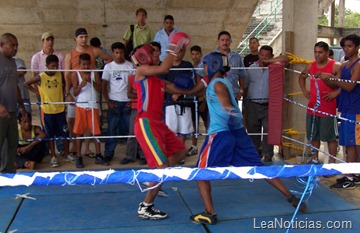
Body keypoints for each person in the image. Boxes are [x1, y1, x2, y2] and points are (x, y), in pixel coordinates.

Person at [189, 52, 306, 224]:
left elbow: (228, 107)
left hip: (221, 133)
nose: (204, 67)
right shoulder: (224, 82)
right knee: (259, 168)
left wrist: (228, 122)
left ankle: (209, 212)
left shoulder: (216, 84)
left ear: (213, 65)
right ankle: (290, 196)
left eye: (206, 64)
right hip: (237, 134)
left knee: (200, 173)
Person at [132, 32, 191, 220]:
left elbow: (175, 88)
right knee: (162, 167)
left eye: (158, 52)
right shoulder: (142, 71)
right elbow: (166, 67)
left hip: (159, 123)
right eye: (154, 52)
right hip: (146, 123)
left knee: (181, 151)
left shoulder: (158, 80)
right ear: (145, 56)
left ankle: (158, 178)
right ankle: (146, 206)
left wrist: (202, 85)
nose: (157, 55)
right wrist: (174, 45)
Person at [319, 34, 360, 189]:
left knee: (351, 144)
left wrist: (331, 77)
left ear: (356, 47)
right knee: (346, 144)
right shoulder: (344, 65)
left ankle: (350, 175)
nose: (346, 49)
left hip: (355, 108)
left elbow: (350, 85)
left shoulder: (358, 64)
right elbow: (336, 86)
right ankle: (351, 174)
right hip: (345, 107)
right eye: (344, 46)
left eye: (349, 46)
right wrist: (325, 78)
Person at [64, 28, 112, 158]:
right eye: (81, 37)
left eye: (85, 36)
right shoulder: (70, 54)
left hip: (91, 94)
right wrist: (68, 92)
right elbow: (67, 75)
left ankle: (88, 149)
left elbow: (109, 59)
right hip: (77, 90)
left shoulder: (94, 50)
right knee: (72, 121)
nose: (84, 39)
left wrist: (102, 73)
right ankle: (75, 148)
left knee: (93, 125)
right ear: (75, 38)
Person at [24, 54, 73, 168]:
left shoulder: (60, 75)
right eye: (52, 66)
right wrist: (37, 92)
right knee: (50, 135)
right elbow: (26, 84)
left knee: (65, 133)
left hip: (60, 109)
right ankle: (53, 156)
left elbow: (65, 85)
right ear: (46, 66)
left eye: (56, 66)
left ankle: (67, 154)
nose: (54, 68)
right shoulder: (41, 76)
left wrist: (65, 94)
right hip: (47, 111)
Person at [298, 42, 341, 165]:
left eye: (320, 52)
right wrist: (304, 90)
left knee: (330, 137)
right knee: (313, 135)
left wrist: (335, 94)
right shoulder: (310, 66)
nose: (317, 55)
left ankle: (332, 162)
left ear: (327, 53)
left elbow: (345, 83)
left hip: (328, 108)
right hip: (312, 107)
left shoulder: (336, 66)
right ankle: (315, 158)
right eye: (315, 52)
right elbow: (301, 77)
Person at [31, 32, 65, 155]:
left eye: (51, 39)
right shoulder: (36, 57)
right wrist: (38, 93)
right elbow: (35, 77)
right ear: (42, 41)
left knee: (60, 125)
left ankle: (61, 149)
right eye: (47, 39)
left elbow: (62, 76)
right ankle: (49, 151)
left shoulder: (60, 56)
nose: (49, 42)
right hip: (44, 94)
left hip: (57, 94)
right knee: (47, 124)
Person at [162, 45, 195, 164]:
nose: (177, 53)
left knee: (184, 129)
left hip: (184, 101)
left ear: (182, 51)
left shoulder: (187, 65)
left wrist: (179, 93)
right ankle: (172, 153)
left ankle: (180, 153)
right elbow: (163, 84)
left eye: (179, 51)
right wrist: (174, 93)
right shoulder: (166, 66)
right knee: (171, 130)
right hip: (170, 102)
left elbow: (190, 82)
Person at [72, 53, 105, 168]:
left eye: (88, 64)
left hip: (93, 105)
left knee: (96, 131)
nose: (86, 67)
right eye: (83, 64)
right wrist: (82, 85)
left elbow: (100, 89)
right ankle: (79, 156)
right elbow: (75, 92)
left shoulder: (94, 73)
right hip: (81, 105)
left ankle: (98, 155)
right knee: (79, 132)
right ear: (79, 64)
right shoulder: (76, 74)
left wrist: (91, 82)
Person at [102, 42, 134, 164]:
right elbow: (104, 85)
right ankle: (108, 154)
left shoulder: (130, 66)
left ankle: (132, 154)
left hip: (127, 103)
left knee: (131, 131)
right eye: (116, 52)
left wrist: (132, 101)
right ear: (113, 53)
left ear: (124, 52)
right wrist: (108, 102)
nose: (119, 55)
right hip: (114, 102)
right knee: (112, 130)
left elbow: (135, 85)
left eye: (121, 52)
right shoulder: (108, 67)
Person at [0, 33, 27, 173]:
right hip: (1, 111)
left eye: (17, 46)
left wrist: (22, 106)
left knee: (11, 143)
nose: (15, 48)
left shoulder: (12, 62)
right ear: (2, 45)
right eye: (12, 45)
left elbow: (15, 86)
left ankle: (7, 172)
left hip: (12, 110)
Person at [244, 45, 275, 162]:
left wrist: (270, 62)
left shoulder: (274, 68)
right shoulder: (251, 68)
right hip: (253, 104)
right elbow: (246, 86)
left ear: (272, 57)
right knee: (252, 130)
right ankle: (255, 154)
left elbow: (285, 59)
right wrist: (245, 103)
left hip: (268, 105)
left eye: (267, 56)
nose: (264, 58)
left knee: (268, 130)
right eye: (262, 55)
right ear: (258, 55)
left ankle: (268, 154)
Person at [187, 45, 208, 157]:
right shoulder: (189, 67)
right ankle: (194, 146)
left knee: (206, 122)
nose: (195, 56)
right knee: (194, 124)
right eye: (193, 54)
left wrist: (203, 99)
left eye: (197, 54)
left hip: (202, 98)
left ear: (201, 55)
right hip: (192, 99)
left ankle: (210, 144)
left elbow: (204, 85)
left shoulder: (203, 67)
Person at [215, 31, 247, 102]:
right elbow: (200, 73)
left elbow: (242, 74)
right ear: (218, 41)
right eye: (222, 40)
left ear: (230, 41)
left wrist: (241, 90)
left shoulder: (237, 56)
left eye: (227, 40)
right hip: (216, 96)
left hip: (233, 95)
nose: (225, 43)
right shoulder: (212, 56)